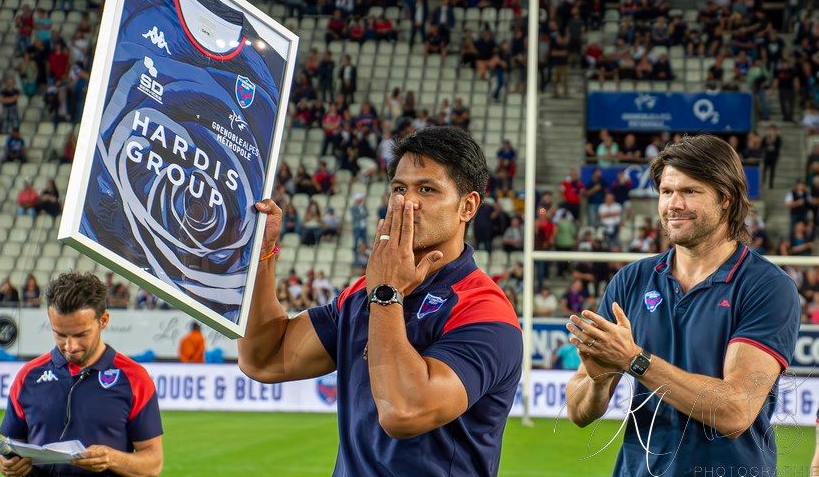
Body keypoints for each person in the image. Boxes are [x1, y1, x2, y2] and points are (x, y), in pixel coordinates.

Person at [238, 126, 522, 476]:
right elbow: (265, 358)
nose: (408, 202)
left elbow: (403, 411)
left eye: (427, 189)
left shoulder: (484, 310)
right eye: (400, 188)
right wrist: (262, 255)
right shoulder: (363, 292)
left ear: (467, 206)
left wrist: (387, 293)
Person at [564, 134, 799, 477]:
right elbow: (578, 411)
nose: (673, 204)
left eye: (690, 191)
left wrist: (634, 360)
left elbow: (736, 411)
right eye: (666, 191)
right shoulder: (632, 280)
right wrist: (598, 384)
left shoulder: (767, 287)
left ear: (726, 200)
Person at [0, 272, 163, 477]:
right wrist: (6, 463)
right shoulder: (27, 376)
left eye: (80, 334)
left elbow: (153, 463)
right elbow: (7, 446)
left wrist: (111, 458)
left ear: (103, 320)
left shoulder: (134, 378)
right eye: (60, 334)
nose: (70, 346)